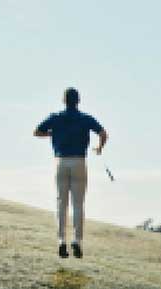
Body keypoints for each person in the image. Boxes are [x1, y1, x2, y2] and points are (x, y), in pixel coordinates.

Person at [34, 87, 108, 259]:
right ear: (78, 100)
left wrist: (51, 133)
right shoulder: (85, 118)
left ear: (63, 100)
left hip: (60, 161)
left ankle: (61, 240)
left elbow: (36, 132)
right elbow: (103, 133)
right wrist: (99, 148)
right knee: (78, 204)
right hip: (79, 161)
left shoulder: (56, 117)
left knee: (61, 202)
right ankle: (77, 240)